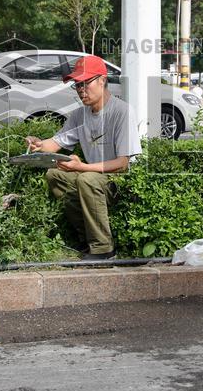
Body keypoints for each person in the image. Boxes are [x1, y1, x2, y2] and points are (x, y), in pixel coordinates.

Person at [25, 55, 141, 260]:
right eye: (77, 85)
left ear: (102, 80)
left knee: (86, 179)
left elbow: (123, 164)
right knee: (55, 175)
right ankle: (85, 238)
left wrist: (81, 168)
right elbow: (56, 142)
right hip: (92, 176)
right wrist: (39, 144)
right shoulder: (80, 115)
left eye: (86, 83)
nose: (81, 90)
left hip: (119, 180)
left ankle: (103, 249)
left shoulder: (122, 111)